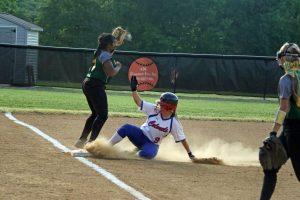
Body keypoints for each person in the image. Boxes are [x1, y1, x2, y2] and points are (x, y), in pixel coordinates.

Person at [107, 76, 196, 160]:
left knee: (148, 154)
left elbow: (182, 139)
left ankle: (132, 154)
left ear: (170, 108)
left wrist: (190, 154)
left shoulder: (173, 123)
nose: (159, 106)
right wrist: (134, 90)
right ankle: (107, 146)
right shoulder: (154, 109)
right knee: (126, 127)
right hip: (140, 135)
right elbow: (139, 102)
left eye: (162, 105)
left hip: (152, 144)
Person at [74, 27, 130, 148]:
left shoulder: (99, 52)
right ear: (108, 45)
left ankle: (82, 140)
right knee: (102, 115)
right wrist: (118, 67)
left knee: (95, 114)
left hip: (88, 83)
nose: (115, 45)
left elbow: (110, 51)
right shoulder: (105, 55)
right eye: (113, 43)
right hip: (95, 85)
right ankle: (91, 143)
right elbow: (110, 72)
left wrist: (116, 40)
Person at [259, 42, 300, 200]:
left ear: (285, 59)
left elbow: (284, 109)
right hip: (291, 131)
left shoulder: (286, 79)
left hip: (294, 130)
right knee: (271, 169)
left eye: (281, 56)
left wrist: (273, 132)